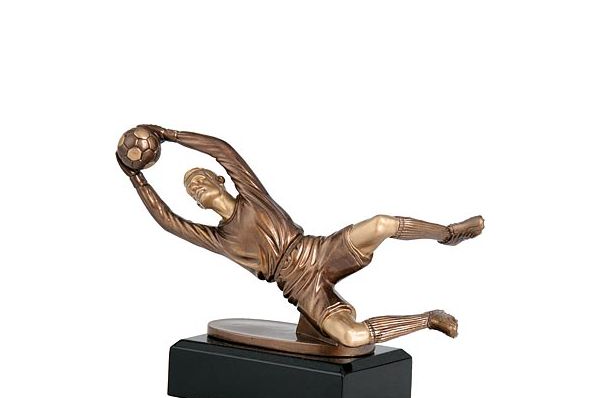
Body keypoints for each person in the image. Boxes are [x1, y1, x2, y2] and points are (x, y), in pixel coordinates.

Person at [116, 126, 484, 347]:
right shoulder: (219, 238)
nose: (196, 188)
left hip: (318, 252)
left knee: (382, 224)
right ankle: (428, 319)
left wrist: (169, 135)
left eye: (199, 179)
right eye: (190, 190)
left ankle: (449, 234)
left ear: (219, 180)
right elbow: (167, 220)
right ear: (197, 204)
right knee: (352, 337)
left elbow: (223, 151)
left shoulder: (252, 197)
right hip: (300, 288)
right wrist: (137, 178)